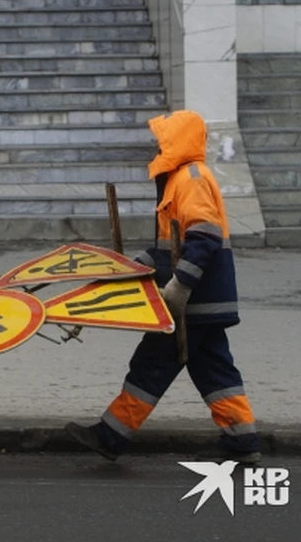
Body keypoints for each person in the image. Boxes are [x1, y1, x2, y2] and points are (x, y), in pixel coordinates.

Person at [65, 109, 261, 464]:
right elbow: (168, 246)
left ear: (177, 142)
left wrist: (179, 289)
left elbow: (203, 238)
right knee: (214, 371)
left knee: (151, 364)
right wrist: (134, 267)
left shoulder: (190, 179)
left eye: (162, 141)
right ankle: (242, 438)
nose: (156, 148)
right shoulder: (180, 179)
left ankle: (111, 435)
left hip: (193, 302)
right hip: (205, 302)